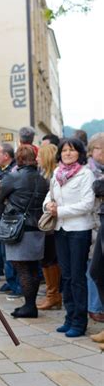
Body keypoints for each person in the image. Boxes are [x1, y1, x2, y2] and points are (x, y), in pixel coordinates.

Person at [43, 138, 95, 337]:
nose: (67, 154)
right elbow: (50, 197)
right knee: (65, 276)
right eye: (64, 150)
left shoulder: (85, 174)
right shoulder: (57, 174)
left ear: (79, 153)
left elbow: (87, 204)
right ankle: (69, 317)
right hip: (60, 229)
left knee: (77, 277)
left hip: (79, 230)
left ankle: (79, 322)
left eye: (72, 150)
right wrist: (48, 206)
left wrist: (60, 211)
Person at [0, 146, 48, 318]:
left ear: (18, 158)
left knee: (23, 269)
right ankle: (30, 305)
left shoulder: (13, 177)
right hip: (38, 227)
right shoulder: (43, 179)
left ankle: (29, 306)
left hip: (18, 228)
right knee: (33, 268)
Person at [0, 144, 22, 297]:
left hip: (11, 216)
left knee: (9, 251)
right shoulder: (1, 171)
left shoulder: (13, 171)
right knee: (4, 251)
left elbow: (2, 193)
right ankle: (10, 282)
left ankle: (16, 284)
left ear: (6, 156)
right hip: (2, 213)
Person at [36, 143, 61, 310]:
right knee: (49, 259)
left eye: (39, 155)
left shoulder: (53, 176)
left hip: (53, 224)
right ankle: (53, 295)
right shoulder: (46, 174)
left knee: (50, 259)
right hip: (49, 223)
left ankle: (53, 295)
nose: (37, 158)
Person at [87, 133, 104, 322]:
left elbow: (98, 188)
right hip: (96, 223)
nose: (95, 153)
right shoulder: (89, 169)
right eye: (94, 148)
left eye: (98, 148)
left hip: (98, 223)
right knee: (95, 271)